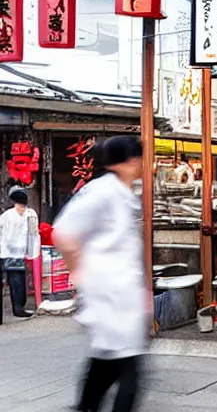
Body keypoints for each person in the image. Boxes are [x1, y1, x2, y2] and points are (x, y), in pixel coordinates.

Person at [53, 136, 149, 412]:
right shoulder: (101, 192)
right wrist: (78, 272)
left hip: (120, 295)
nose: (141, 165)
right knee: (129, 369)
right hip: (108, 293)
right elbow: (64, 233)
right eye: (138, 159)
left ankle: (84, 406)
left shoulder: (120, 193)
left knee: (108, 362)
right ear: (127, 162)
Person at [0, 186, 40, 318]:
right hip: (8, 252)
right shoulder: (7, 216)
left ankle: (19, 306)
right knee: (15, 281)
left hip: (21, 252)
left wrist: (32, 250)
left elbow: (34, 233)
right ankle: (17, 308)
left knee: (20, 281)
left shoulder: (30, 214)